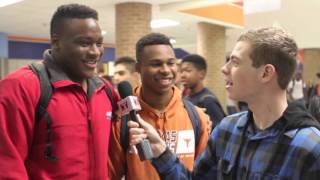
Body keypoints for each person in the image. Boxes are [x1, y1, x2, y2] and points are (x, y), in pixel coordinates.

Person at [128, 27, 320, 179]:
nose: (224, 69)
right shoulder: (228, 129)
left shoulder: (309, 147)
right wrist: (161, 151)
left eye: (235, 62)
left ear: (265, 73)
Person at [0, 4, 119, 179]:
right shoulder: (21, 87)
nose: (95, 52)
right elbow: (7, 166)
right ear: (56, 43)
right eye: (85, 43)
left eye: (99, 43)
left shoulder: (105, 90)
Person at [108, 33, 210, 180]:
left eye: (171, 63)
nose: (166, 70)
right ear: (139, 68)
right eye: (156, 64)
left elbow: (203, 174)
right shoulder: (122, 120)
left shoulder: (197, 117)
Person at [180, 54, 225, 128]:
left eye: (188, 71)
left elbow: (219, 131)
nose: (182, 75)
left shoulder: (208, 100)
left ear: (201, 74)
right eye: (181, 71)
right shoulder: (185, 99)